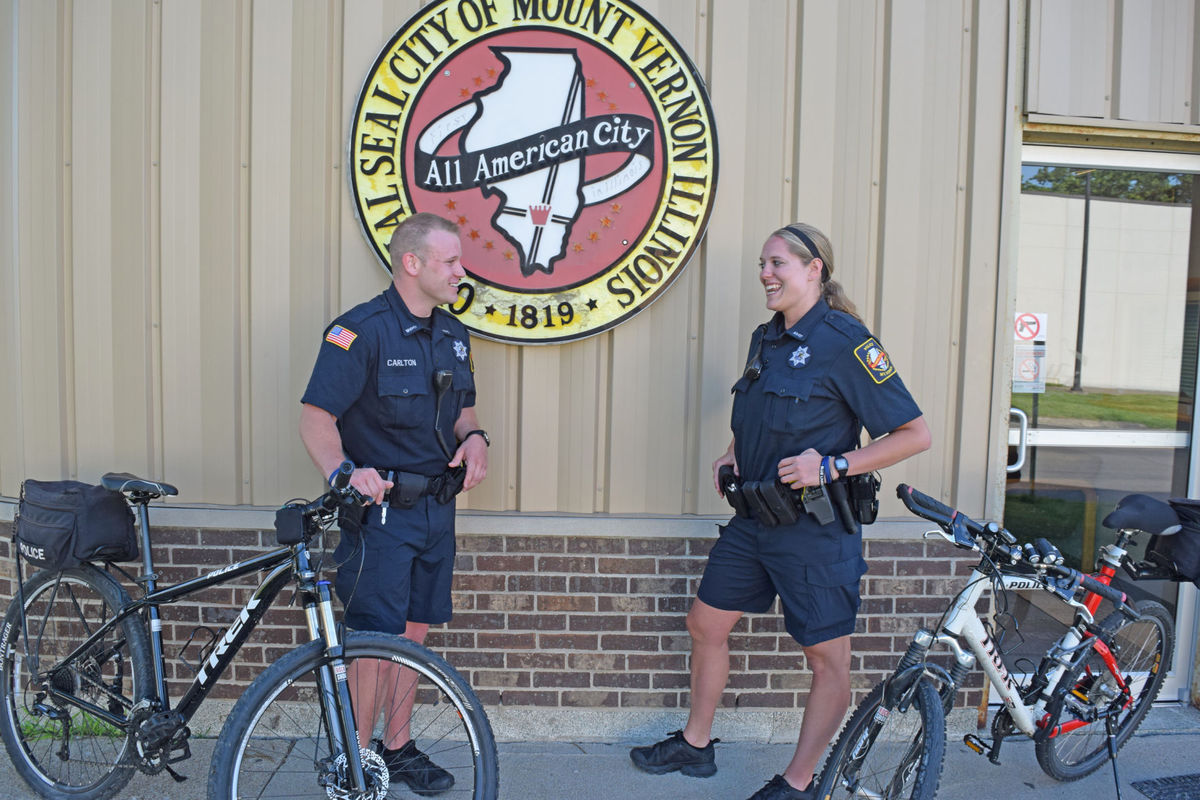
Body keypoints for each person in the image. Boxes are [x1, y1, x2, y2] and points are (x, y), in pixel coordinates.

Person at [630, 223, 930, 800]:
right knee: (705, 622)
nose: (765, 274)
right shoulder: (765, 338)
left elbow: (915, 434)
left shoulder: (849, 343)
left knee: (827, 661)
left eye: (776, 264)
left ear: (814, 267)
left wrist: (834, 466)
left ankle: (798, 782)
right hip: (753, 521)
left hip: (814, 529)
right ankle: (695, 745)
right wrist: (733, 450)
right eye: (761, 265)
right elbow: (759, 414)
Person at [299, 212, 489, 796]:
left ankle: (398, 748)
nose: (461, 271)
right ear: (413, 263)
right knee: (372, 641)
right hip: (380, 516)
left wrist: (476, 438)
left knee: (412, 637)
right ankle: (355, 765)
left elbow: (463, 411)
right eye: (450, 261)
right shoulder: (359, 331)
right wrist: (342, 472)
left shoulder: (453, 334)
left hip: (436, 510)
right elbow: (316, 417)